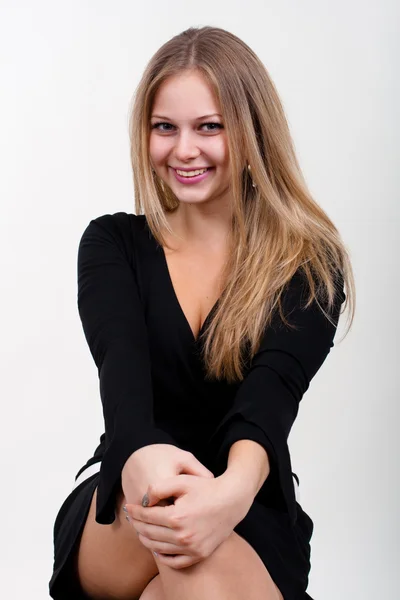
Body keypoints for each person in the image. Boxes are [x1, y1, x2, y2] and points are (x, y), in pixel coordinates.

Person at [48, 25, 355, 600]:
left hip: (247, 503)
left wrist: (231, 493)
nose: (184, 149)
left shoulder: (309, 263)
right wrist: (147, 463)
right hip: (127, 500)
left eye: (209, 127)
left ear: (251, 131)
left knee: (187, 578)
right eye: (165, 127)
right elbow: (123, 380)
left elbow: (271, 397)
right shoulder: (112, 244)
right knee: (166, 496)